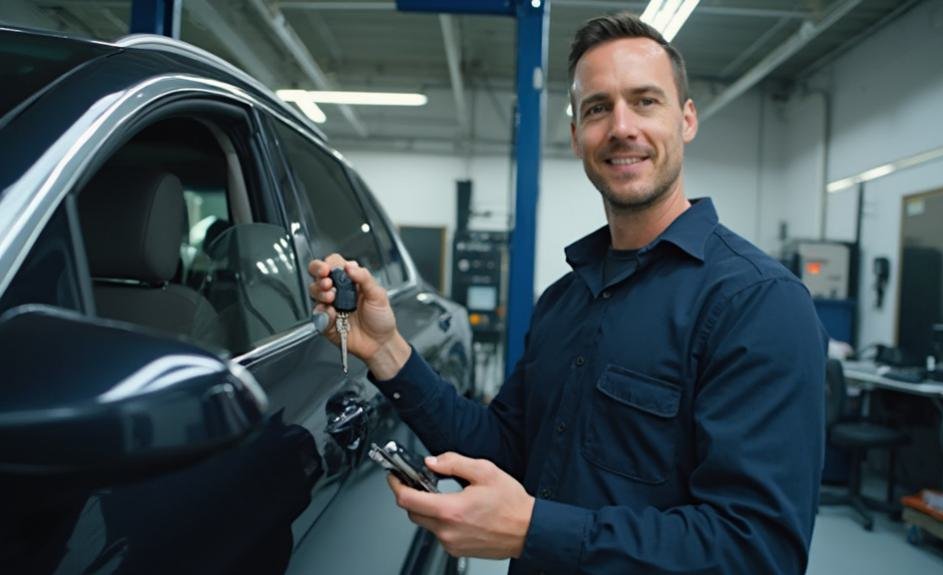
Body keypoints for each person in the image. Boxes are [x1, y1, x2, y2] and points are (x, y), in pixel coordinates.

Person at [309, 13, 826, 574]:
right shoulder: (565, 299)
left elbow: (757, 550)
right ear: (577, 134)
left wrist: (534, 529)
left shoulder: (759, 304)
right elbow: (504, 447)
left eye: (645, 101)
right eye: (598, 108)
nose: (621, 127)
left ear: (687, 119)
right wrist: (386, 351)